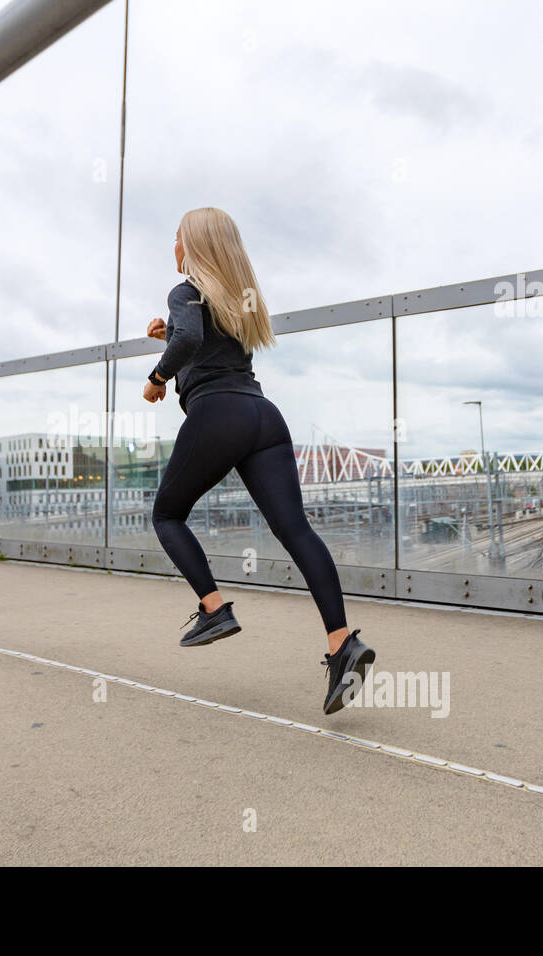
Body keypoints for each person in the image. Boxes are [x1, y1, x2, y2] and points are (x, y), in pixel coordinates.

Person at [143, 207, 375, 715]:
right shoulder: (236, 301)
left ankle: (213, 608)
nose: (173, 245)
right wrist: (170, 336)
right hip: (264, 418)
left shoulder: (184, 292)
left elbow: (190, 340)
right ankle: (342, 644)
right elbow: (201, 342)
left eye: (177, 236)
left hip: (218, 414)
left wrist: (158, 377)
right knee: (297, 530)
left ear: (195, 245)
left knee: (166, 514)